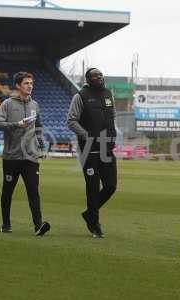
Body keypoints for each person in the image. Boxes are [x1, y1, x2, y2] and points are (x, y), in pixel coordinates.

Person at [0, 71, 50, 236]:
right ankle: (6, 223)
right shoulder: (7, 104)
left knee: (33, 191)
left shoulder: (35, 105)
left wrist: (41, 145)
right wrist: (17, 124)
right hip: (11, 156)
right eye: (26, 83)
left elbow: (38, 126)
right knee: (7, 192)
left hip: (30, 157)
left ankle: (38, 225)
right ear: (18, 85)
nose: (30, 86)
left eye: (31, 83)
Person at [67, 68, 117, 238]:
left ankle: (89, 213)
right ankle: (94, 223)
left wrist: (112, 134)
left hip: (107, 148)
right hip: (89, 149)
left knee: (111, 186)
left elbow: (113, 116)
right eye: (95, 75)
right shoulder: (80, 96)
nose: (99, 77)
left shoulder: (109, 94)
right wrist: (86, 135)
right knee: (93, 188)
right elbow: (71, 121)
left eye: (100, 74)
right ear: (88, 79)